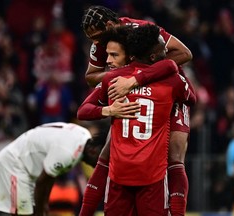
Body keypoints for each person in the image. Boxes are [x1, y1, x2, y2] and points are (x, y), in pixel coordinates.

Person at [80, 5, 194, 216]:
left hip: (169, 89)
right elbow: (90, 77)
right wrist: (121, 74)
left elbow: (183, 54)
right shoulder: (102, 44)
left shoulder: (142, 29)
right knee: (107, 153)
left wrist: (138, 77)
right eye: (91, 40)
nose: (96, 45)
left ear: (109, 26)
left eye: (97, 37)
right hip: (133, 85)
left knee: (175, 154)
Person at [0, 121, 108, 216]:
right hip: (15, 163)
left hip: (28, 169)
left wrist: (44, 204)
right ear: (93, 151)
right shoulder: (68, 153)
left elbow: (51, 175)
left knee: (29, 211)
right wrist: (40, 210)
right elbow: (42, 181)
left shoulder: (84, 135)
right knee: (23, 213)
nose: (101, 163)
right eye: (100, 159)